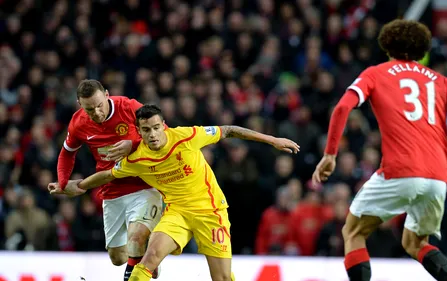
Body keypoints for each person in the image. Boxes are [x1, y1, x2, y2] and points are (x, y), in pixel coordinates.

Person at [312, 19, 447, 281]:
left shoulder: (376, 73)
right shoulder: (442, 82)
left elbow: (341, 108)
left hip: (399, 170)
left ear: (387, 46)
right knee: (415, 243)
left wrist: (330, 154)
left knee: (353, 232)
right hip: (437, 178)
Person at [50, 104, 300, 281]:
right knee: (149, 259)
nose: (152, 134)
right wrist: (79, 186)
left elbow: (230, 130)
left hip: (210, 212)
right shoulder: (137, 158)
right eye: (146, 130)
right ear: (139, 130)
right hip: (177, 214)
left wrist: (273, 140)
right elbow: (108, 175)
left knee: (222, 278)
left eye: (156, 128)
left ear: (163, 126)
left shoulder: (186, 136)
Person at [52, 80, 163, 280]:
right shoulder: (78, 123)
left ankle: (143, 264)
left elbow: (163, 133)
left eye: (99, 105)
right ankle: (147, 259)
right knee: (118, 257)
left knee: (136, 238)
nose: (96, 112)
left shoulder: (129, 108)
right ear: (79, 103)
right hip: (111, 190)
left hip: (144, 185)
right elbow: (66, 154)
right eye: (89, 109)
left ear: (107, 94)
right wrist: (63, 184)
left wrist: (134, 143)